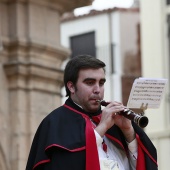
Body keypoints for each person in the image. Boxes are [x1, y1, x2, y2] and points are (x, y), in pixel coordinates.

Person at [26, 55, 158, 170]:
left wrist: (128, 132)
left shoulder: (117, 123)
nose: (97, 90)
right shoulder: (54, 123)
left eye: (101, 83)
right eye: (90, 83)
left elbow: (142, 165)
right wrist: (101, 129)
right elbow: (66, 164)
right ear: (71, 86)